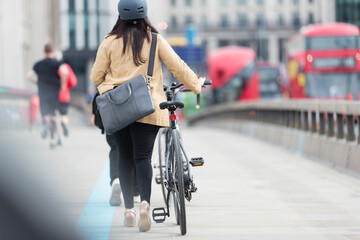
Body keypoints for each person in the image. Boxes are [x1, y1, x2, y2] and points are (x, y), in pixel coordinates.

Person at [90, 0, 205, 232]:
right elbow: (178, 67)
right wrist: (196, 85)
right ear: (145, 15)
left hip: (120, 108)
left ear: (120, 15)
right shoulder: (154, 39)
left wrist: (110, 89)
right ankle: (145, 204)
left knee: (124, 157)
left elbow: (96, 77)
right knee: (143, 158)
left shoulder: (109, 43)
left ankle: (129, 211)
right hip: (148, 107)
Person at [91, 92, 141, 207]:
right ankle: (136, 192)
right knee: (138, 148)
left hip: (111, 103)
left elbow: (96, 78)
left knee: (116, 147)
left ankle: (116, 180)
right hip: (135, 102)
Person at [27, 43, 68, 149]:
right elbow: (65, 72)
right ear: (53, 52)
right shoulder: (57, 63)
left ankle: (45, 123)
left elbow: (29, 76)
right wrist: (63, 85)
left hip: (43, 92)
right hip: (54, 92)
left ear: (44, 52)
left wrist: (36, 83)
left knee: (45, 114)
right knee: (54, 116)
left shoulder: (38, 64)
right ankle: (53, 140)